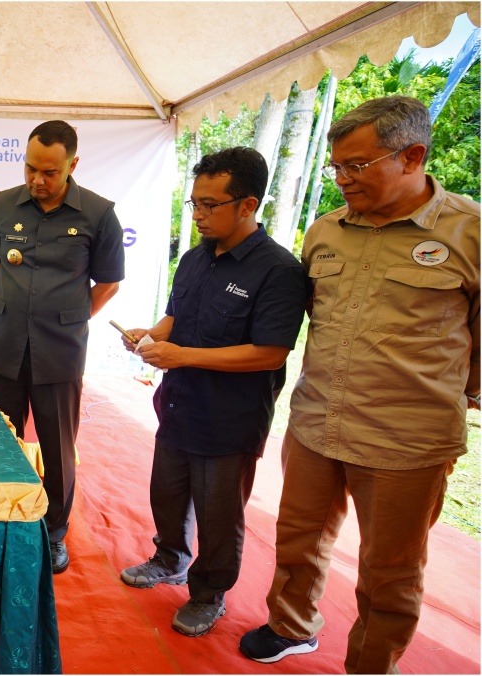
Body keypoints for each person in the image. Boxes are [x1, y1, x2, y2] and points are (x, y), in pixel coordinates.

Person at [238, 96, 480, 672]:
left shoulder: (469, 232)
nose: (343, 179)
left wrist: (468, 391)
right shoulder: (325, 232)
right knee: (298, 540)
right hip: (318, 422)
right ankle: (291, 626)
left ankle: (371, 664)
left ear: (413, 155)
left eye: (357, 166)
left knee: (390, 570)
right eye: (336, 168)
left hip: (407, 441)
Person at [117, 147, 306, 637]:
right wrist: (152, 335)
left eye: (209, 205)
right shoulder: (196, 258)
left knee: (220, 513)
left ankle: (208, 593)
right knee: (168, 493)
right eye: (193, 204)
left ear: (248, 205)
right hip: (179, 405)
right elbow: (176, 318)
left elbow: (270, 353)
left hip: (230, 418)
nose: (198, 215)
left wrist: (182, 355)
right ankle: (169, 559)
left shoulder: (277, 270)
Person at [0, 120, 125, 574]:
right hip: (5, 344)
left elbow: (109, 283)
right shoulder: (3, 205)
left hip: (59, 351)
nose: (37, 180)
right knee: (3, 440)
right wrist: (19, 310)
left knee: (58, 448)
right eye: (30, 169)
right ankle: (4, 518)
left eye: (50, 172)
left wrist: (66, 316)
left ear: (72, 165)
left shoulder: (98, 214)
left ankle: (54, 532)